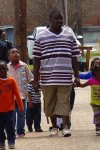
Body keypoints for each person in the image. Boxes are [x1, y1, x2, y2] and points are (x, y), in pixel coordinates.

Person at [33, 9, 81, 137]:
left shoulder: (69, 36)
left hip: (64, 76)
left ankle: (65, 127)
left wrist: (77, 75)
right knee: (49, 102)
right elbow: (36, 58)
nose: (59, 21)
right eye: (56, 18)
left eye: (61, 18)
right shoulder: (41, 37)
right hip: (47, 77)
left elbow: (74, 57)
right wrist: (35, 79)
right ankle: (54, 127)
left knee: (64, 101)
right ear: (50, 20)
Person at [7, 48, 33, 137]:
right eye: (13, 53)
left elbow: (30, 78)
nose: (16, 54)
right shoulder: (6, 67)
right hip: (11, 96)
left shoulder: (24, 66)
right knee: (12, 115)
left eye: (17, 52)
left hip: (22, 95)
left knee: (22, 114)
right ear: (9, 56)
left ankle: (20, 131)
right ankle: (11, 131)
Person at [78, 65, 100, 135]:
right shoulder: (91, 81)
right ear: (94, 74)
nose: (99, 76)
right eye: (97, 75)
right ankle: (98, 128)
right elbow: (83, 85)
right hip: (95, 103)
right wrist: (77, 84)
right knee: (97, 116)